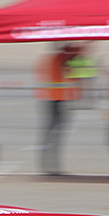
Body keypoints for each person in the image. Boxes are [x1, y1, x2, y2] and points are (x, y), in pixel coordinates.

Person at [34, 42, 81, 175]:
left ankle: (46, 164)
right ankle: (52, 165)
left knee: (49, 133)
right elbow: (76, 54)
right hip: (57, 100)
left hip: (49, 99)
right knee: (55, 135)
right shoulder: (61, 58)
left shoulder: (47, 59)